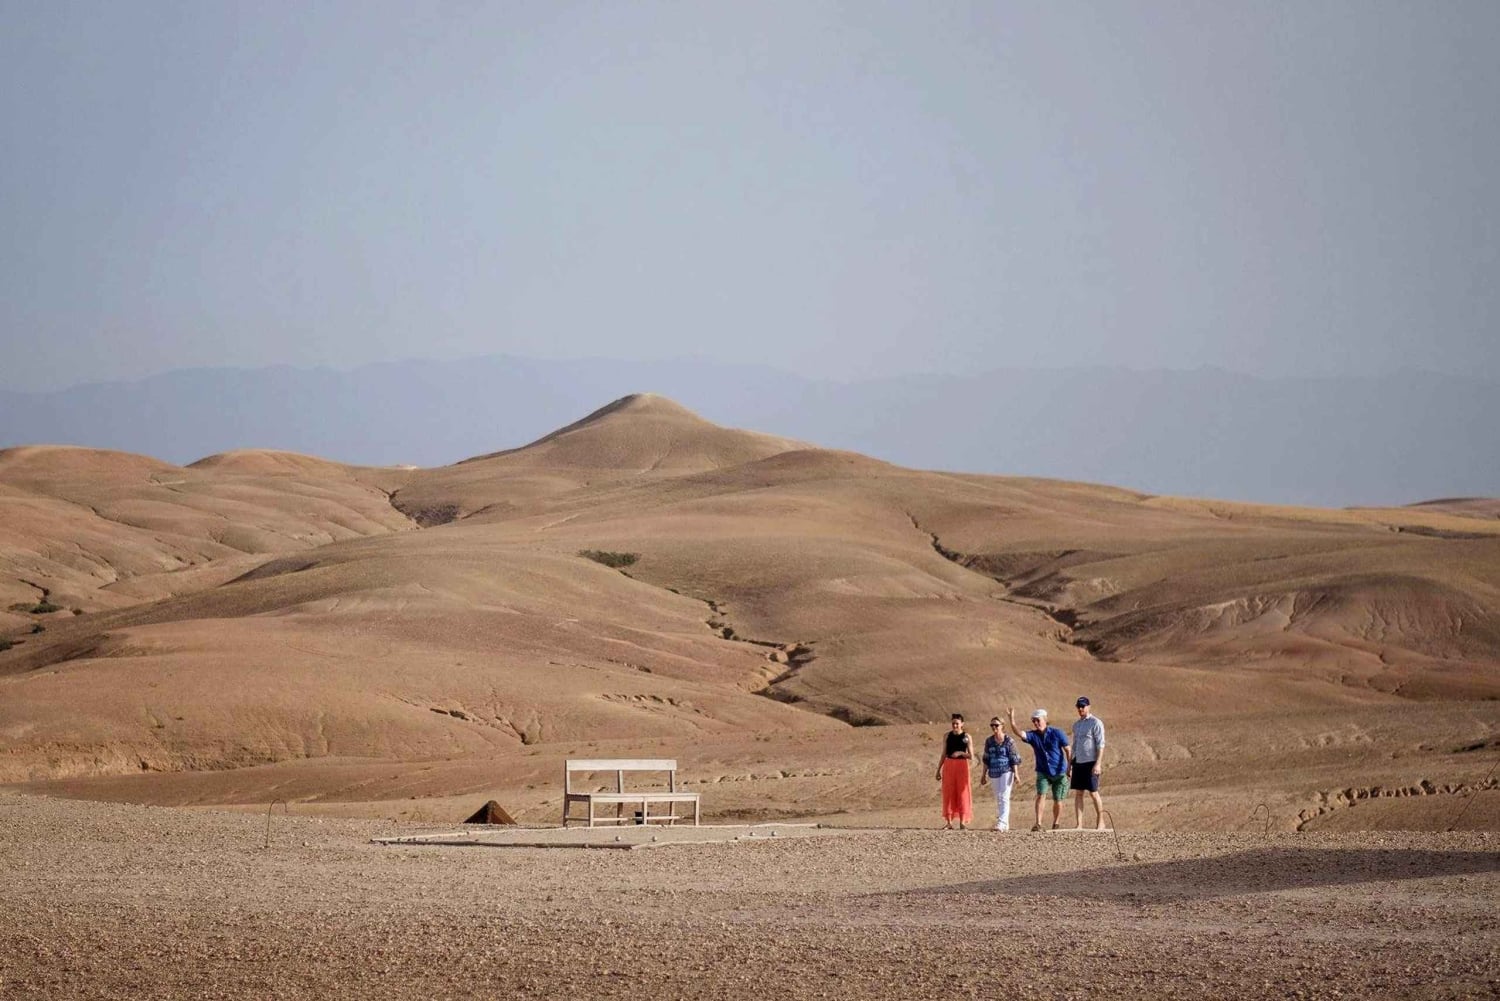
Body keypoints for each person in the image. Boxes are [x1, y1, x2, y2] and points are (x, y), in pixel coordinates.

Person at [1006, 707, 1071, 831]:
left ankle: (1056, 823)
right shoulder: (1033, 736)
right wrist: (1012, 720)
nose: (1036, 723)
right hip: (1043, 771)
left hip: (1059, 771)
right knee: (1041, 794)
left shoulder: (1057, 733)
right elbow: (1019, 733)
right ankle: (1038, 823)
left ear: (1045, 720)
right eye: (1033, 721)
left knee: (1058, 798)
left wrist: (1069, 767)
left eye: (1038, 720)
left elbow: (1068, 749)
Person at [978, 716, 1021, 830]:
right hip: (993, 772)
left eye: (996, 725)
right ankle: (1005, 823)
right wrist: (983, 774)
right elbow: (986, 758)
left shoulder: (1009, 741)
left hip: (1006, 770)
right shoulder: (989, 741)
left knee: (1004, 796)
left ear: (1002, 726)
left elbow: (1014, 758)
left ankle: (1001, 822)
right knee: (998, 797)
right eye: (992, 725)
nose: (994, 727)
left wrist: (1016, 774)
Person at [1071, 696, 1107, 830]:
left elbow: (1101, 744)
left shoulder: (1095, 723)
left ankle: (1101, 820)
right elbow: (1074, 745)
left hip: (1091, 762)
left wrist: (1098, 763)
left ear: (1088, 706)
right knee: (1079, 793)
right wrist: (1070, 764)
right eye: (1079, 706)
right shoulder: (1076, 725)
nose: (1080, 709)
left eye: (1083, 706)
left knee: (1093, 792)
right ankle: (1079, 824)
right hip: (1078, 762)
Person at [935, 712, 974, 829]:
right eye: (953, 723)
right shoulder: (947, 736)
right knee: (949, 792)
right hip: (949, 765)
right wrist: (938, 770)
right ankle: (949, 822)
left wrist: (961, 753)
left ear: (962, 724)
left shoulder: (967, 737)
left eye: (957, 723)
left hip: (962, 765)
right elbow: (943, 753)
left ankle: (962, 822)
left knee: (962, 792)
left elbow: (971, 755)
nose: (955, 726)